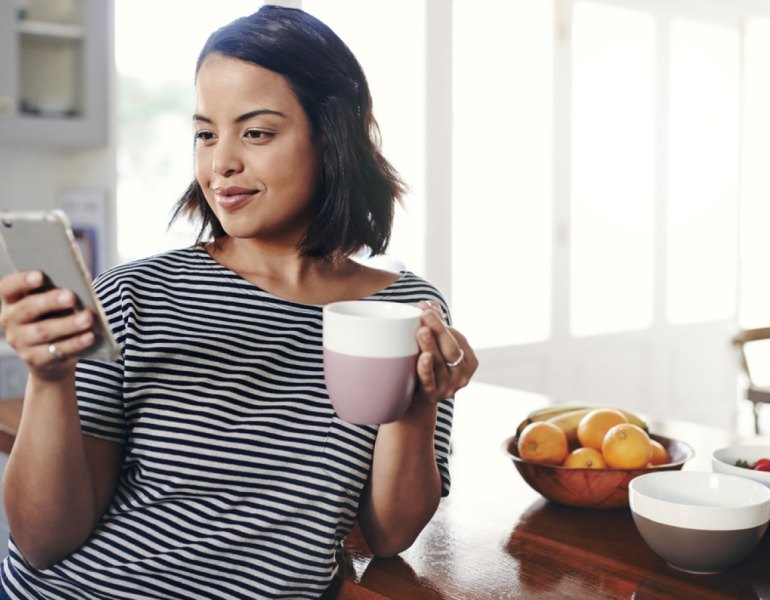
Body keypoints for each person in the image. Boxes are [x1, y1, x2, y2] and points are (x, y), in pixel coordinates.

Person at [0, 5, 477, 599]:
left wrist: (419, 403)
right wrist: (48, 379)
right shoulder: (134, 295)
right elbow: (44, 541)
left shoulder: (405, 310)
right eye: (206, 133)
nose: (221, 162)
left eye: (256, 132)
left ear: (331, 136)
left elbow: (388, 533)